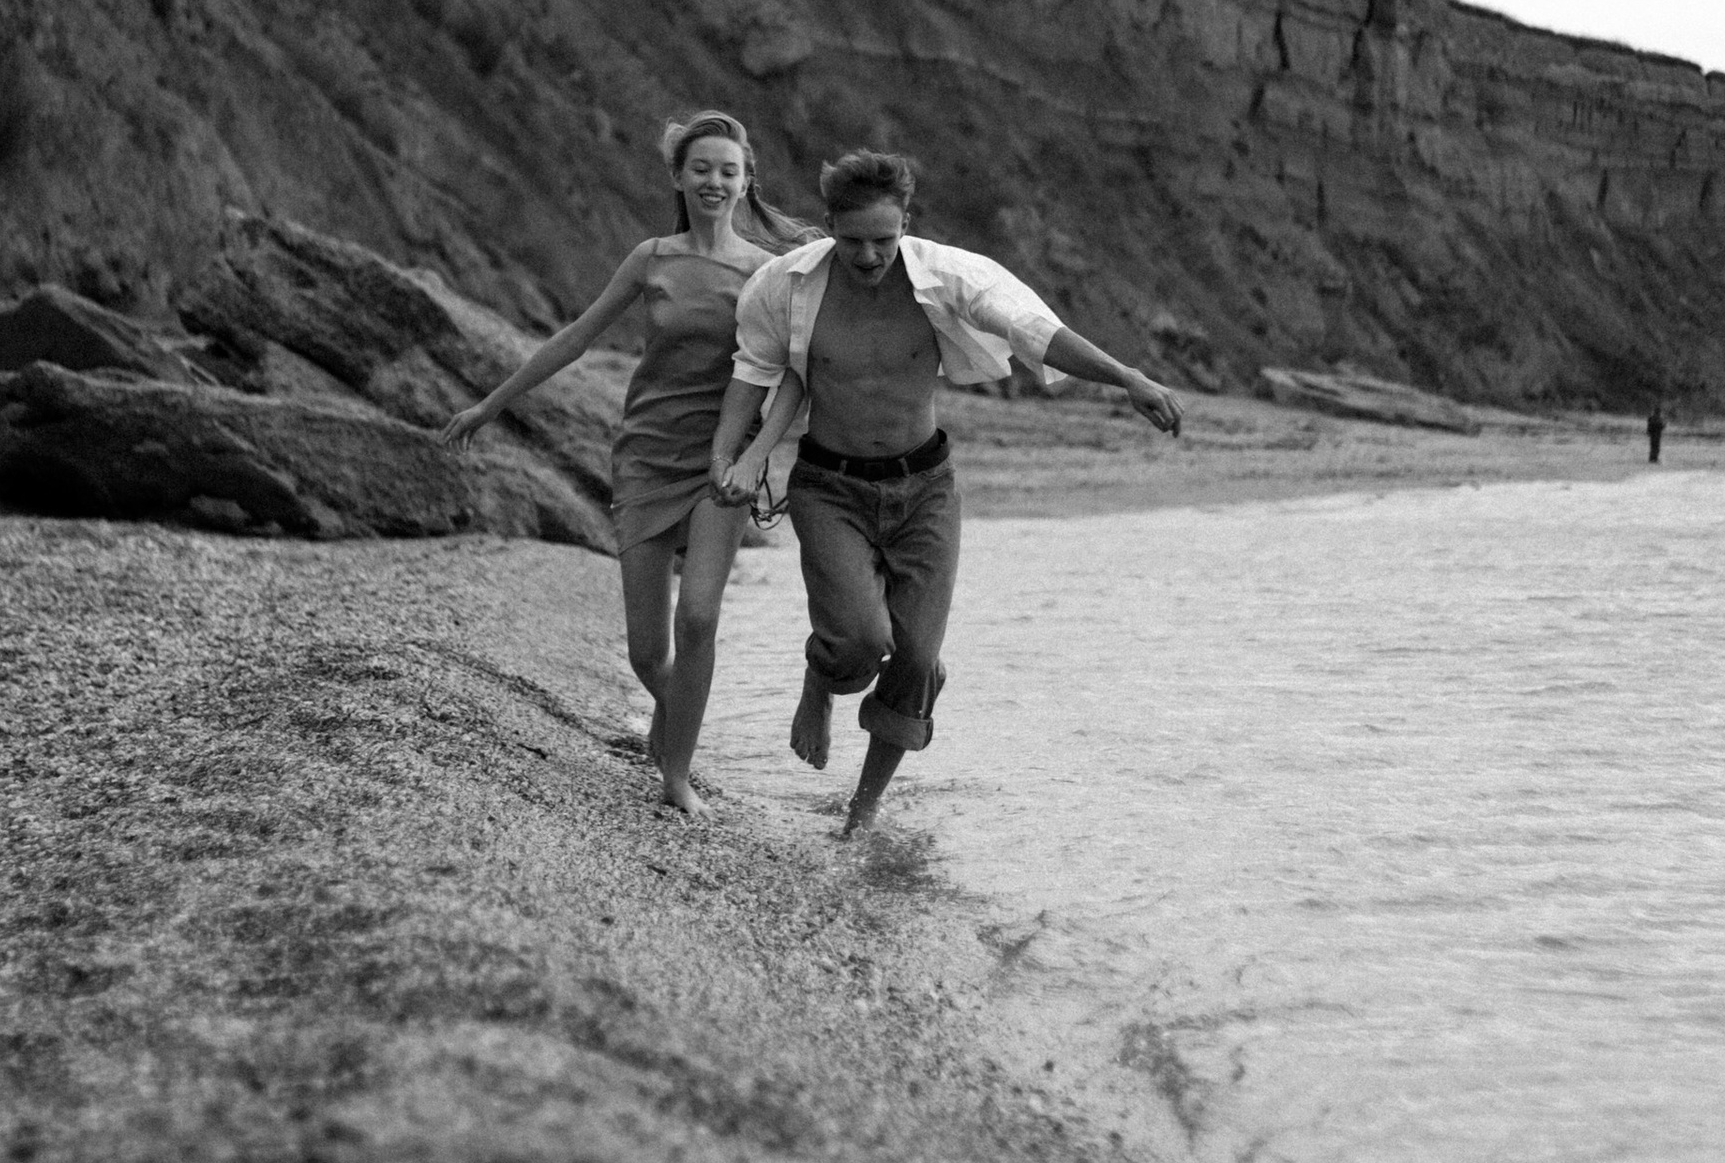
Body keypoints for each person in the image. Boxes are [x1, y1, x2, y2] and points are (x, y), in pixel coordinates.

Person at [705, 144, 1181, 837]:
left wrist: (1130, 378)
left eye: (884, 240)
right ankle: (824, 675)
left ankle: (863, 810)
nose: (869, 257)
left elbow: (1036, 332)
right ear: (829, 224)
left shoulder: (950, 276)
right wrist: (732, 461)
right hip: (829, 487)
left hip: (925, 488)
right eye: (853, 240)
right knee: (861, 643)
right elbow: (753, 376)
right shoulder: (783, 287)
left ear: (907, 223)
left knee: (919, 659)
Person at [442, 112, 802, 817]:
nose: (715, 182)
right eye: (702, 168)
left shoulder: (767, 273)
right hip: (645, 455)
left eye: (729, 170)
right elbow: (575, 338)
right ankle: (678, 717)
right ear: (678, 176)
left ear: (746, 179)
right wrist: (491, 405)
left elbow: (795, 370)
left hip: (721, 464)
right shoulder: (652, 259)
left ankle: (677, 773)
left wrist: (764, 452)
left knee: (698, 617)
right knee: (646, 653)